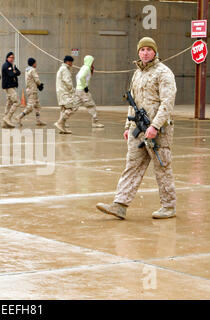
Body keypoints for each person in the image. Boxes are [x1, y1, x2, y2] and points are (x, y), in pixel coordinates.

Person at [96, 37, 177, 220]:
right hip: (138, 129)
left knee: (162, 168)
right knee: (131, 166)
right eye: (142, 50)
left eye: (149, 49)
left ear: (155, 52)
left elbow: (167, 103)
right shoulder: (137, 74)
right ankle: (120, 205)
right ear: (138, 52)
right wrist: (128, 125)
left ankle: (168, 206)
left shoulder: (163, 73)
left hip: (158, 131)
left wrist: (155, 126)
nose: (145, 52)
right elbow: (133, 102)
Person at [74, 55, 104, 128]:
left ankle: (62, 121)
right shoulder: (87, 68)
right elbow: (80, 77)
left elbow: (77, 76)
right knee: (91, 106)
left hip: (78, 90)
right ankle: (95, 122)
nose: (93, 62)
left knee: (73, 107)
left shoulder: (83, 67)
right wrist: (84, 86)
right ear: (89, 61)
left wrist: (79, 85)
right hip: (83, 91)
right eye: (92, 61)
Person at [15, 57, 46, 126]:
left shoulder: (27, 70)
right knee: (30, 107)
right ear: (33, 63)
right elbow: (36, 79)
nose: (36, 64)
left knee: (37, 106)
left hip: (31, 89)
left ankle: (38, 120)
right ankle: (19, 117)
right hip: (32, 91)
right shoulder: (32, 70)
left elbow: (31, 80)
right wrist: (40, 85)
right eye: (35, 63)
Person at [54, 55, 76, 134]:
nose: (71, 64)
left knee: (63, 109)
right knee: (72, 107)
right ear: (67, 62)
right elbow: (68, 82)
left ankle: (62, 127)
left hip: (61, 92)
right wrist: (73, 91)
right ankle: (60, 123)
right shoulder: (65, 69)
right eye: (71, 62)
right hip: (64, 92)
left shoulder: (61, 69)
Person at [1, 52, 21, 128]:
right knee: (17, 102)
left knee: (9, 104)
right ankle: (7, 118)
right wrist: (14, 71)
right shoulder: (6, 65)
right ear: (7, 58)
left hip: (12, 86)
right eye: (11, 57)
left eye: (13, 57)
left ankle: (4, 123)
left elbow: (19, 72)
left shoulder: (12, 65)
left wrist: (14, 71)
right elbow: (11, 74)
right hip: (8, 87)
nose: (12, 59)